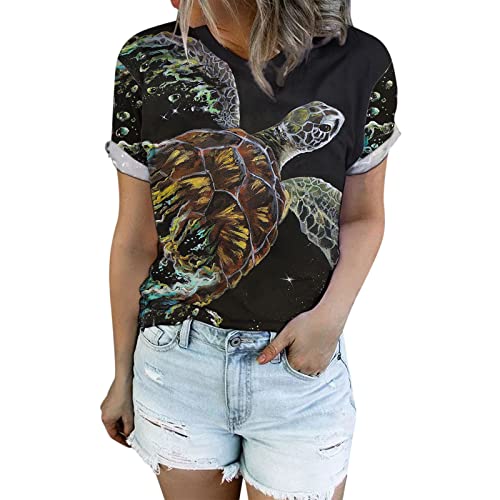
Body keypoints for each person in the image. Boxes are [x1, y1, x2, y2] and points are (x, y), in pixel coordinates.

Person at [100, 0, 401, 499]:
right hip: (177, 361)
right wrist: (121, 373)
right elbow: (135, 239)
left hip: (296, 373)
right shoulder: (152, 56)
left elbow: (362, 216)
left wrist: (329, 319)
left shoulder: (360, 62)